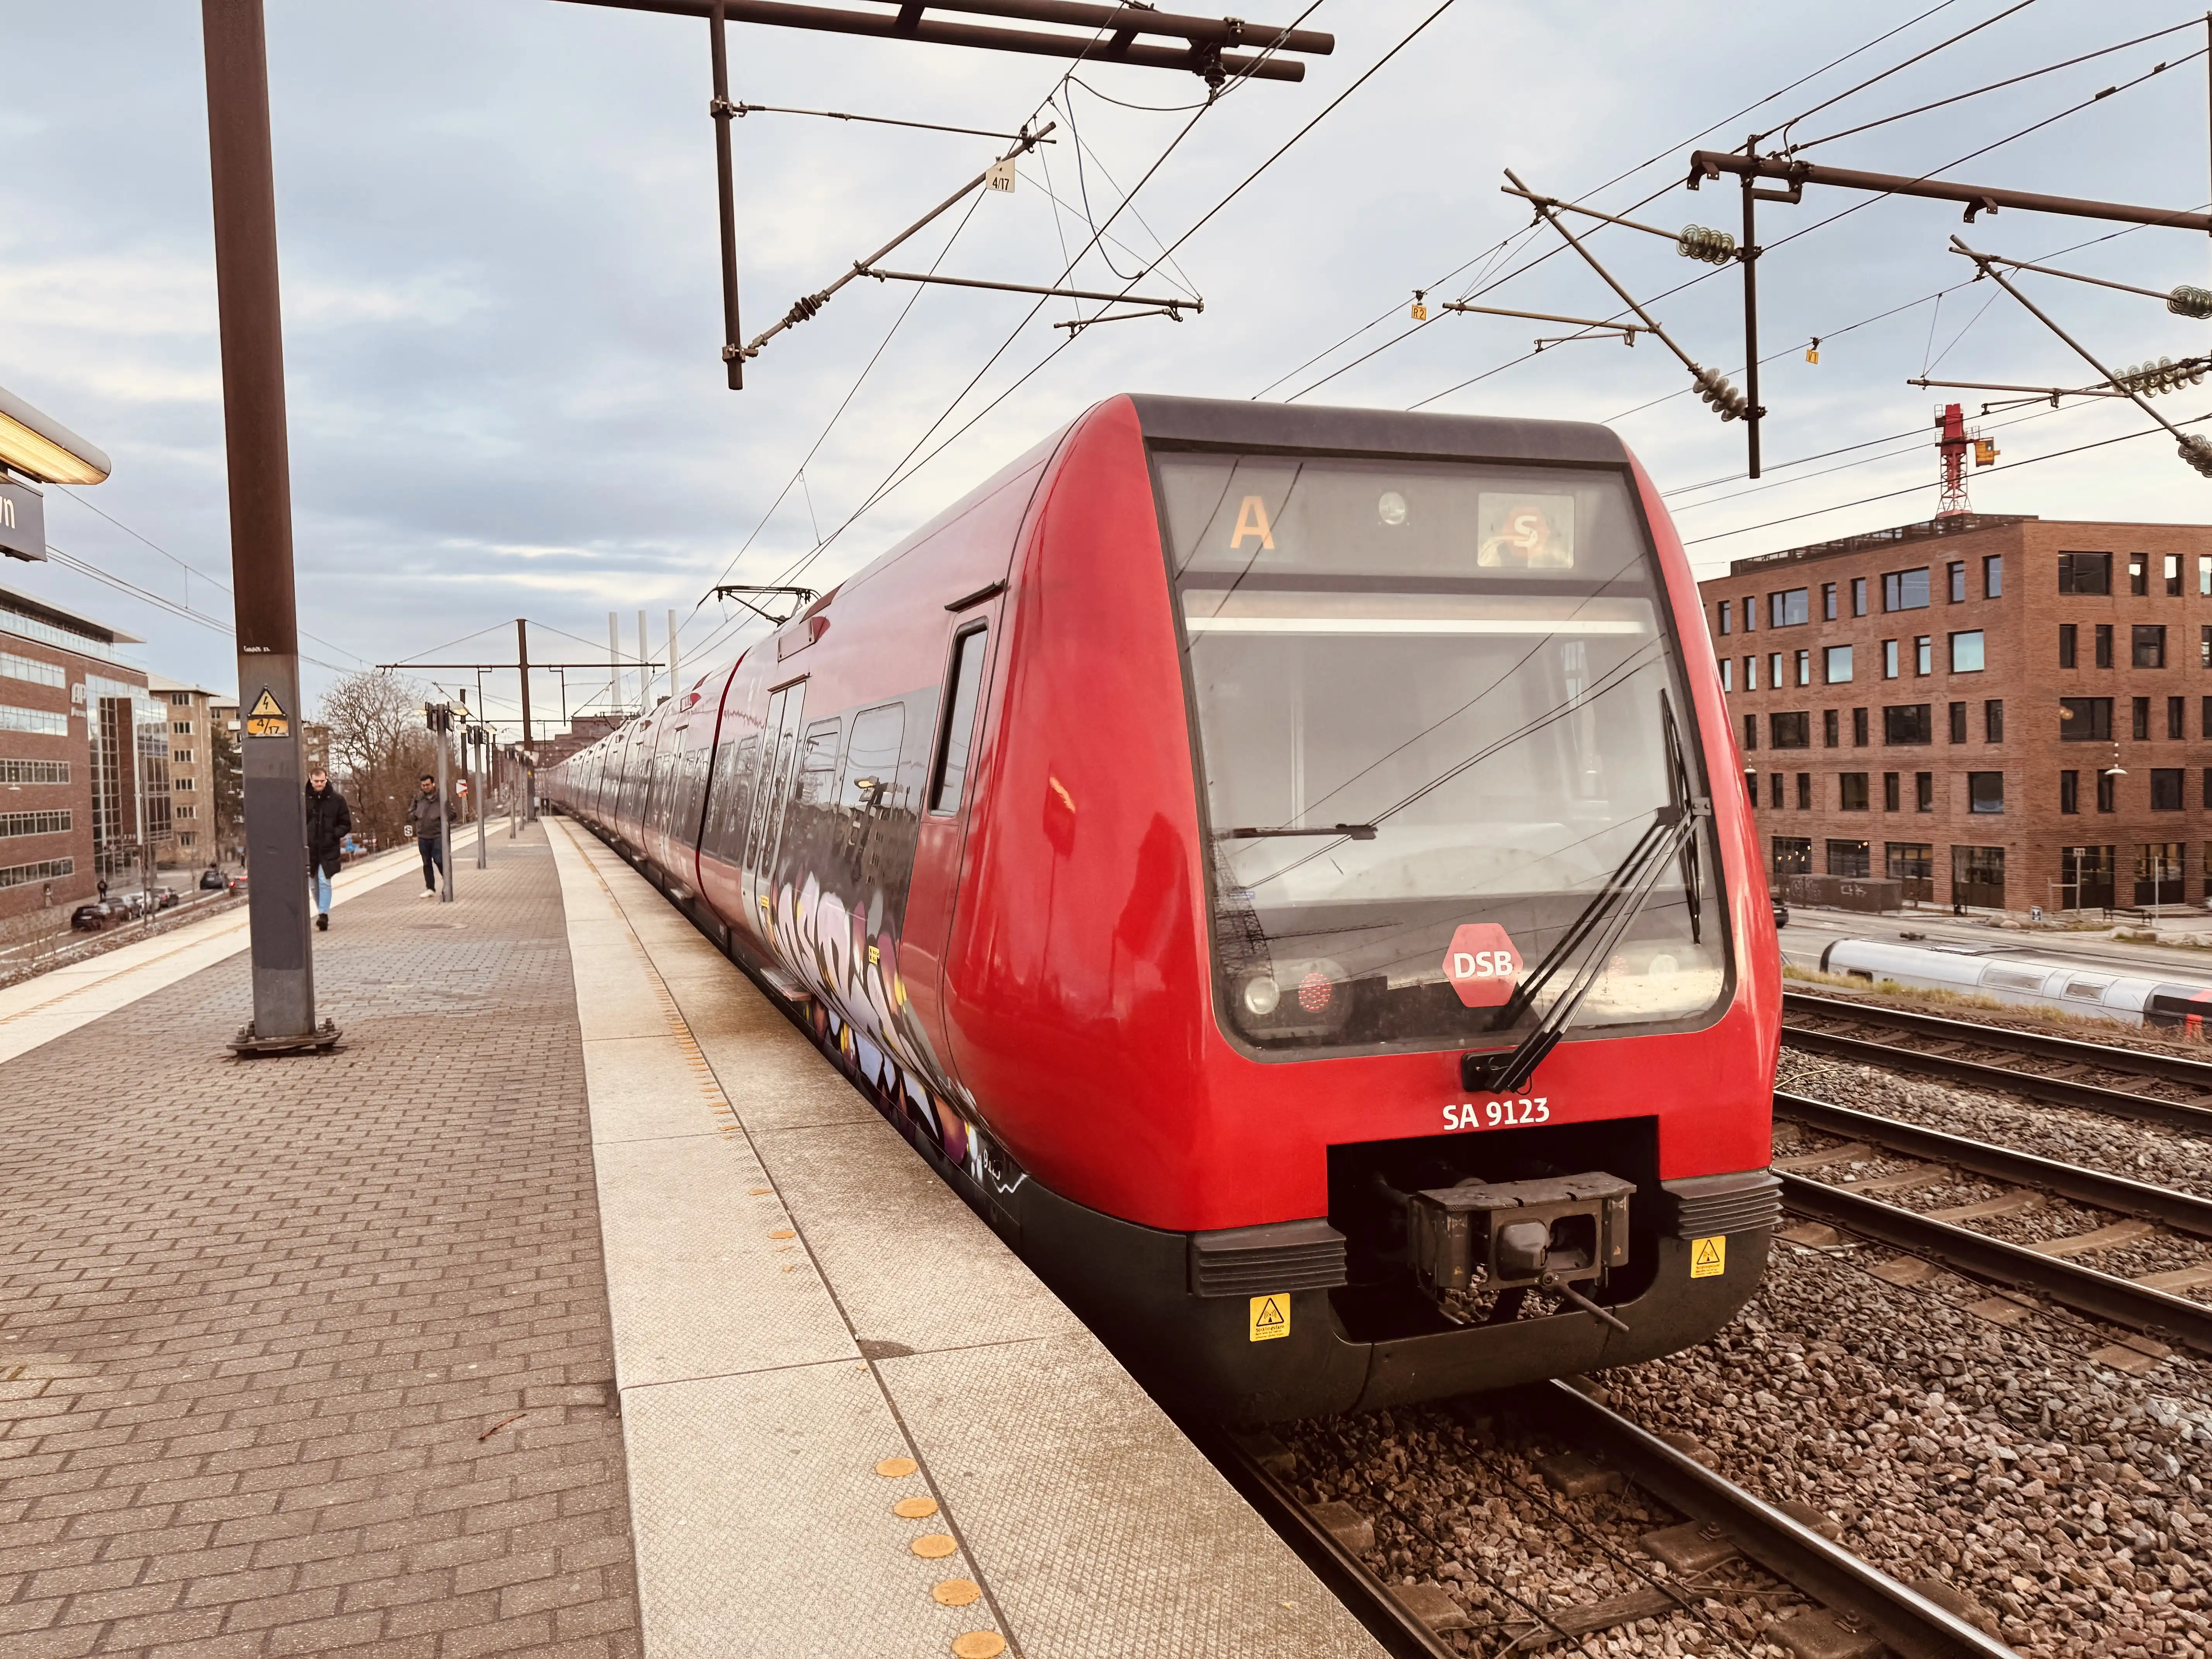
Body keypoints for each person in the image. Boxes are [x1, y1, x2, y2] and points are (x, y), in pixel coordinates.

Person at [304, 768, 352, 931]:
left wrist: (334, 834)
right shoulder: (303, 800)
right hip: (310, 849)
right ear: (311, 780)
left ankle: (323, 915)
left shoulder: (337, 801)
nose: (319, 784)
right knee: (313, 885)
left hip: (328, 847)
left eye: (322, 781)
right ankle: (321, 911)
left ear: (327, 780)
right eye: (316, 781)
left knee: (325, 881)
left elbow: (346, 823)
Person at [407, 773, 459, 898]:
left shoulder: (442, 798)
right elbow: (411, 813)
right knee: (426, 862)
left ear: (433, 784)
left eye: (428, 785)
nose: (426, 787)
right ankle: (430, 887)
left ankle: (447, 884)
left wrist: (441, 818)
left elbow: (453, 814)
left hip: (438, 835)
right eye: (423, 785)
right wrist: (415, 815)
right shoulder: (419, 798)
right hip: (423, 835)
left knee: (440, 860)